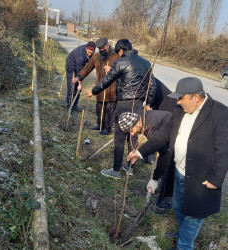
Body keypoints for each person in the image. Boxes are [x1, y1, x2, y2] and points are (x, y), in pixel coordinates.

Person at [127, 77, 228, 250]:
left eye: (182, 98)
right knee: (179, 207)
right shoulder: (180, 109)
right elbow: (163, 134)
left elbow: (224, 148)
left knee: (194, 215)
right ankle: (183, 234)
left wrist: (216, 178)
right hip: (179, 171)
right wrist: (141, 151)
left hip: (201, 176)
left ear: (196, 97)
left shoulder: (220, 113)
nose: (178, 101)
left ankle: (184, 245)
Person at [88, 39, 157, 179]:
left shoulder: (121, 62)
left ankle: (116, 170)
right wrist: (148, 103)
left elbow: (106, 81)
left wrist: (93, 91)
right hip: (138, 104)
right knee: (133, 136)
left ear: (120, 51)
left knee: (119, 138)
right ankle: (130, 168)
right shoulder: (146, 63)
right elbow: (153, 86)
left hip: (124, 104)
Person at [73, 37, 119, 135]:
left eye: (103, 48)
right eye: (100, 49)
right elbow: (88, 67)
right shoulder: (96, 56)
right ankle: (99, 125)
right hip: (100, 88)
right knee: (99, 109)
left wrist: (112, 69)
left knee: (109, 110)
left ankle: (107, 128)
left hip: (112, 89)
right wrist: (78, 77)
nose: (101, 50)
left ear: (107, 45)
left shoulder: (116, 55)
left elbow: (122, 69)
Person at [65, 41, 96, 114]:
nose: (90, 54)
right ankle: (69, 106)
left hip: (79, 68)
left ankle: (75, 105)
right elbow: (80, 71)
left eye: (92, 52)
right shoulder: (80, 55)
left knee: (78, 89)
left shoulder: (90, 52)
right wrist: (79, 84)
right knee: (72, 86)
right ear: (86, 48)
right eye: (88, 52)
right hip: (71, 67)